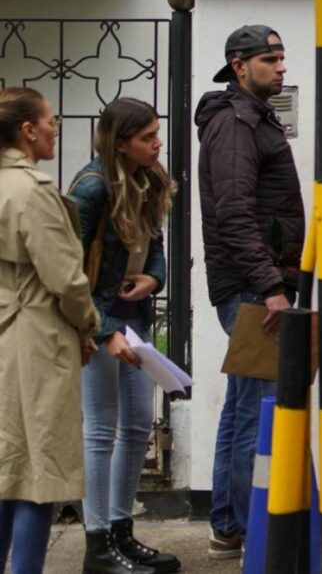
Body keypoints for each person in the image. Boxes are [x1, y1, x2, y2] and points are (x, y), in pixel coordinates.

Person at [196, 25, 305, 558]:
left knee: (246, 407)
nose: (282, 67)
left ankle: (230, 525)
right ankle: (244, 526)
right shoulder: (236, 123)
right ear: (239, 66)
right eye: (269, 59)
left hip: (258, 285)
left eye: (282, 57)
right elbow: (234, 213)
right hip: (251, 290)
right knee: (256, 409)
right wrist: (270, 287)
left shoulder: (253, 117)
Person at [67, 99, 179, 573]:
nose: (157, 144)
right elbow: (68, 271)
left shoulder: (148, 179)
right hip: (97, 323)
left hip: (135, 318)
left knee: (135, 426)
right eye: (147, 137)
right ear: (120, 143)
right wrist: (105, 328)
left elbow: (154, 246)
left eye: (156, 134)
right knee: (100, 429)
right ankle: (97, 545)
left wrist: (155, 278)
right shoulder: (91, 188)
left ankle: (120, 531)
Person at [0, 87, 99, 574]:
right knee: (42, 473)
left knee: (7, 469)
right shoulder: (31, 192)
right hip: (38, 335)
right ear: (28, 130)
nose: (56, 128)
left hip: (5, 333)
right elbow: (66, 278)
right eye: (51, 120)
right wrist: (88, 323)